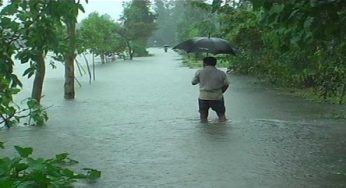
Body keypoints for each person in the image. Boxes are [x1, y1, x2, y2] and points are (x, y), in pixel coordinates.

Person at [191, 56, 229, 122]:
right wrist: (221, 92)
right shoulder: (221, 73)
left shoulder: (199, 72)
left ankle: (204, 131)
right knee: (222, 117)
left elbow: (193, 82)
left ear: (204, 63)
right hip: (217, 97)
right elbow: (226, 84)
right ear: (215, 64)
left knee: (203, 118)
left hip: (203, 97)